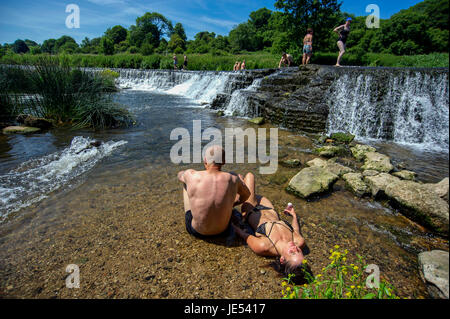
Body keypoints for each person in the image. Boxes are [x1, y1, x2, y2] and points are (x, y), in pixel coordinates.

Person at [232, 172, 306, 273]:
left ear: (282, 259)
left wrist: (230, 222)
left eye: (293, 253)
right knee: (245, 185)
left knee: (248, 176)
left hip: (251, 209)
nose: (295, 248)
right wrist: (294, 216)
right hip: (268, 207)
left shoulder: (264, 246)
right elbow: (296, 229)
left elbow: (244, 235)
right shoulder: (299, 241)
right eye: (299, 251)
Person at [178, 145, 251, 239]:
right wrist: (234, 203)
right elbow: (246, 194)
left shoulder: (192, 175)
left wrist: (186, 174)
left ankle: (193, 211)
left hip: (198, 231)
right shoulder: (233, 178)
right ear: (224, 162)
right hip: (223, 231)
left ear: (205, 160)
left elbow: (179, 175)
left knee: (185, 182)